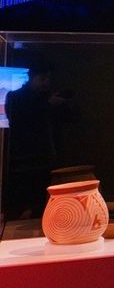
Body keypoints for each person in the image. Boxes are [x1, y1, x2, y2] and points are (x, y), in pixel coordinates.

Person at [4, 64, 59, 219]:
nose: (46, 82)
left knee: (42, 199)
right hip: (23, 156)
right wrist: (48, 106)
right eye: (43, 78)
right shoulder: (17, 97)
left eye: (48, 78)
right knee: (21, 198)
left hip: (43, 156)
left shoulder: (40, 97)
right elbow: (20, 121)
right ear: (32, 77)